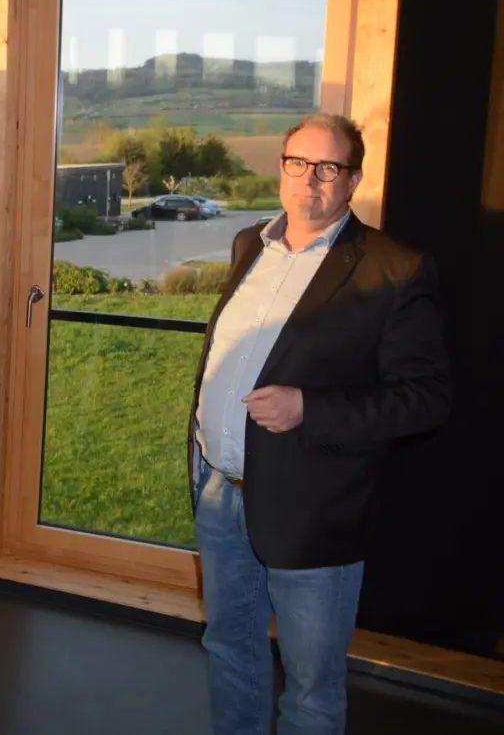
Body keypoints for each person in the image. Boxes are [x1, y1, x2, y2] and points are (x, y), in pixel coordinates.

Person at [188, 113, 450, 735]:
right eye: (298, 163)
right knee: (229, 649)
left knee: (310, 691)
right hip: (221, 493)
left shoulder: (393, 268)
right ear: (282, 168)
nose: (310, 179)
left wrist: (309, 406)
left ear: (353, 180)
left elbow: (425, 399)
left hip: (314, 509)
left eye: (328, 168)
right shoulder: (250, 244)